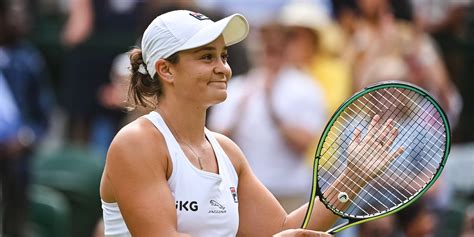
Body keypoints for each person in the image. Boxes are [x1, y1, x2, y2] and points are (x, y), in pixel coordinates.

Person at [99, 10, 403, 236]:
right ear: (166, 70)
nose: (224, 69)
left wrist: (352, 178)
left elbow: (282, 229)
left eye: (224, 56)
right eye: (207, 57)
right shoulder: (137, 142)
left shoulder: (227, 152)